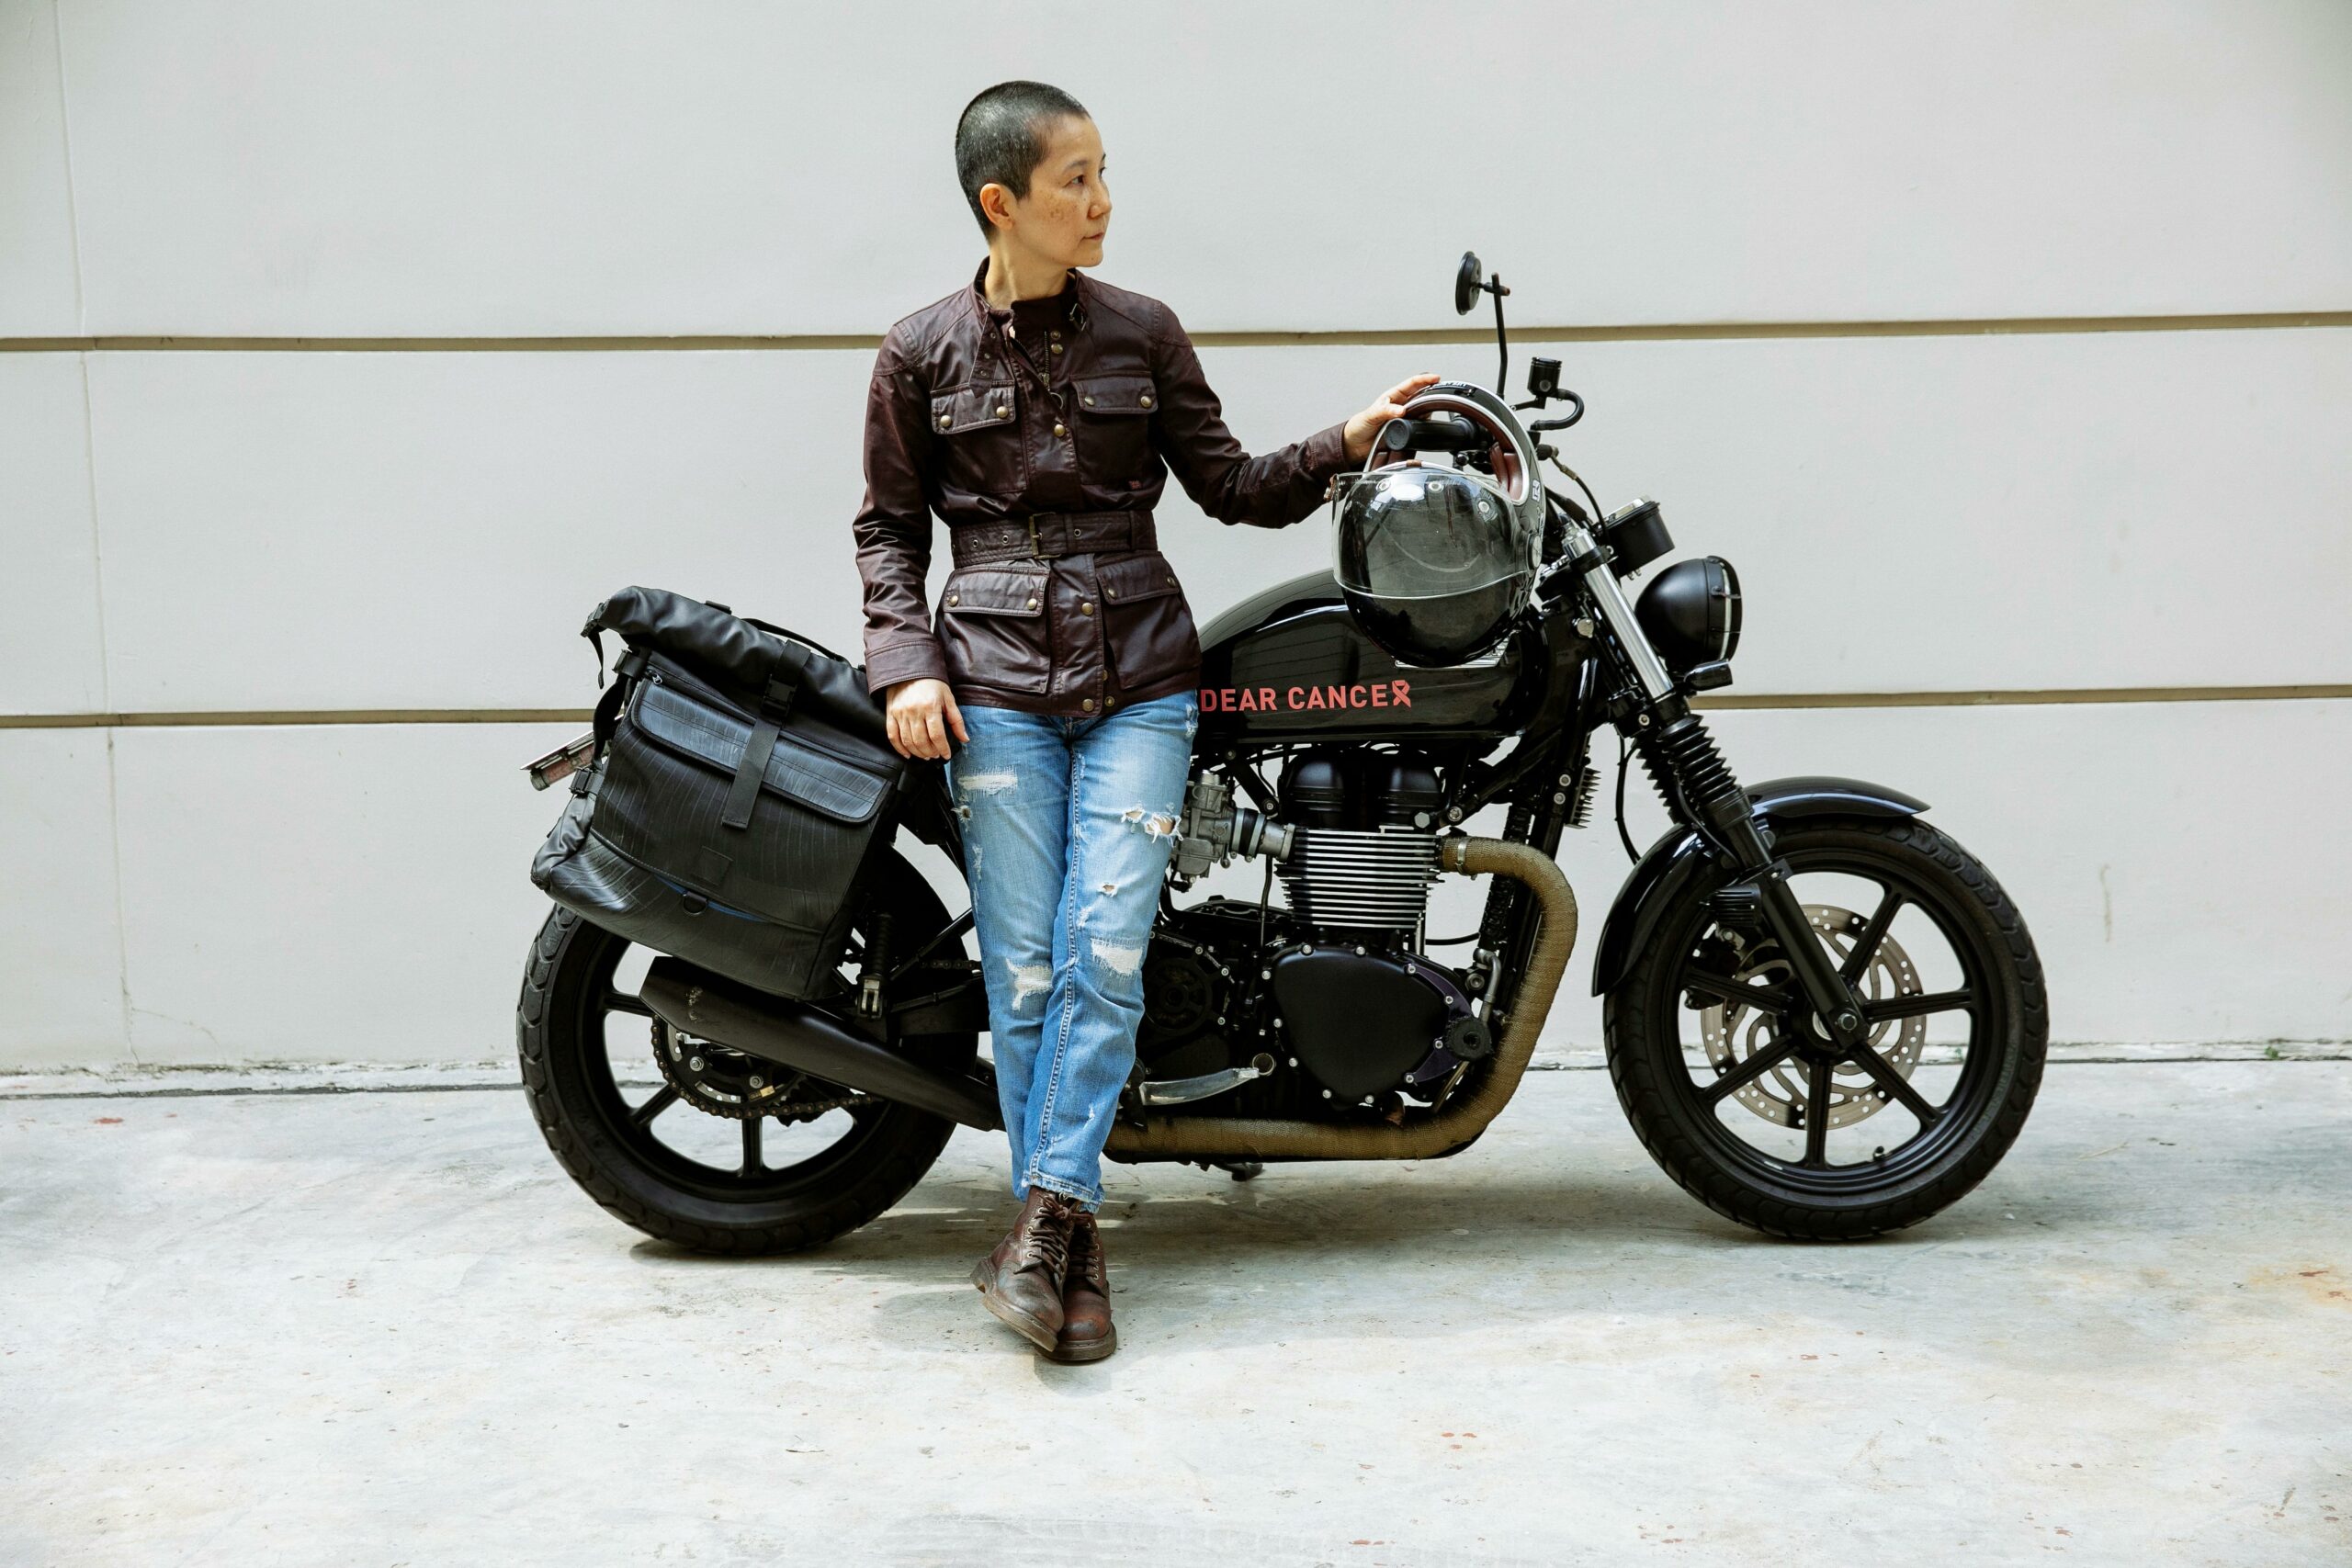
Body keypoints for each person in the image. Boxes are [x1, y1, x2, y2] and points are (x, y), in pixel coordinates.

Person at [851, 79, 1436, 1362]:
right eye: (1077, 180)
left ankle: (1045, 1225)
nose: (1104, 201)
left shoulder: (1146, 333)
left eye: (1106, 173)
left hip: (1142, 680)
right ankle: (1071, 1241)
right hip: (993, 686)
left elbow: (1228, 487)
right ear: (1004, 202)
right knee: (1027, 969)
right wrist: (905, 663)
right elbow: (890, 530)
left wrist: (1348, 440)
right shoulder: (918, 351)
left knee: (1107, 941)